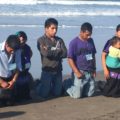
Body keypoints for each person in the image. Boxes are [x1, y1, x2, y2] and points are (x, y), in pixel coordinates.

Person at [64, 22, 96, 99]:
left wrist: (94, 69)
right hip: (80, 71)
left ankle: (80, 86)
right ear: (81, 32)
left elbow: (93, 55)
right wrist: (77, 72)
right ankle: (66, 83)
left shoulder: (91, 40)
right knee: (77, 96)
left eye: (90, 34)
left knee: (89, 94)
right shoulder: (74, 43)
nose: (89, 37)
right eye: (87, 34)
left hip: (90, 71)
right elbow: (70, 58)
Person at [37, 18, 67, 98]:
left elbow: (65, 53)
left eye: (56, 28)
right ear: (46, 28)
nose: (55, 31)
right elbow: (46, 53)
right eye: (52, 28)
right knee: (44, 94)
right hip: (47, 71)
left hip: (58, 70)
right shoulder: (41, 40)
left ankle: (55, 85)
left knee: (57, 93)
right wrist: (58, 50)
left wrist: (50, 50)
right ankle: (38, 84)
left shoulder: (59, 40)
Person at [0, 35, 21, 105]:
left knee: (10, 103)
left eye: (14, 51)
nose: (12, 52)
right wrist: (1, 82)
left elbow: (18, 67)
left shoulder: (17, 50)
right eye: (11, 50)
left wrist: (13, 81)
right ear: (6, 44)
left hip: (10, 78)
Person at [13, 31, 33, 102]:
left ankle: (26, 95)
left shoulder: (27, 48)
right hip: (16, 72)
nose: (22, 41)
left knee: (26, 84)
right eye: (20, 39)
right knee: (18, 86)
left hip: (25, 71)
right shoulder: (14, 48)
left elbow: (30, 55)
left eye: (23, 39)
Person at [102, 25, 120, 97]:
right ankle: (103, 87)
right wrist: (105, 69)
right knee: (112, 83)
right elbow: (103, 55)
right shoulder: (110, 42)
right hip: (111, 66)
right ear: (116, 32)